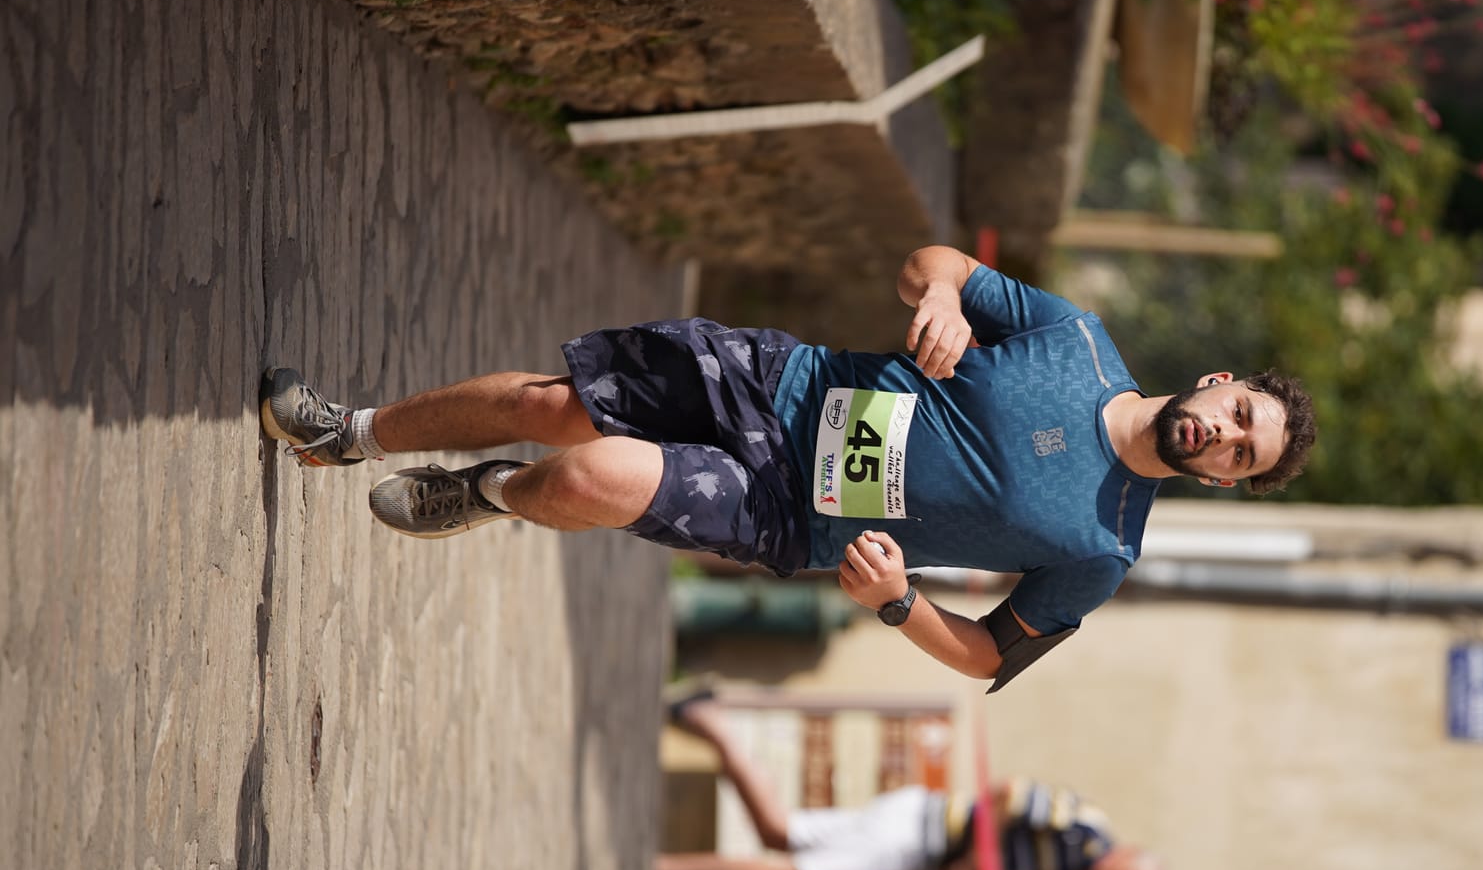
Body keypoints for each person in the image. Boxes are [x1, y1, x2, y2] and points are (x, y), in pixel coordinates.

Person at [261, 245, 1316, 688]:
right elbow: (932, 262)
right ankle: (341, 430)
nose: (1222, 435)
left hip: (785, 511)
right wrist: (943, 298)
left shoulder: (1101, 549)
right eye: (1237, 415)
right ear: (1218, 382)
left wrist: (900, 607)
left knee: (583, 478)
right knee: (558, 405)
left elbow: (993, 658)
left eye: (1240, 453)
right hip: (779, 382)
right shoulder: (1073, 338)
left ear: (1225, 481)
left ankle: (487, 490)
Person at [656, 695, 1157, 870]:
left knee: (778, 832)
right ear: (1125, 850)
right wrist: (973, 862)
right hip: (923, 829)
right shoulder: (1086, 830)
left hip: (921, 849)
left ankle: (711, 720)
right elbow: (1009, 792)